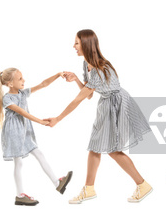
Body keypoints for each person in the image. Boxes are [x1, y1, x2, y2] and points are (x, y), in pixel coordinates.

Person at [47, 29, 153, 204]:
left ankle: (142, 184)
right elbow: (88, 94)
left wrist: (58, 118)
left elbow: (78, 100)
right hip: (106, 104)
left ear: (86, 45)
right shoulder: (86, 64)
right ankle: (89, 188)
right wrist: (76, 80)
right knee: (96, 147)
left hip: (117, 104)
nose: (73, 46)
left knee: (112, 150)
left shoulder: (98, 68)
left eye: (76, 43)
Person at [0, 68, 72, 206]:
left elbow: (43, 84)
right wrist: (41, 121)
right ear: (10, 83)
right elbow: (22, 112)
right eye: (20, 79)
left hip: (24, 130)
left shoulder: (23, 93)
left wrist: (57, 74)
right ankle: (20, 195)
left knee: (38, 154)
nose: (23, 80)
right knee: (19, 162)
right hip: (13, 131)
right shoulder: (7, 98)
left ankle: (57, 183)